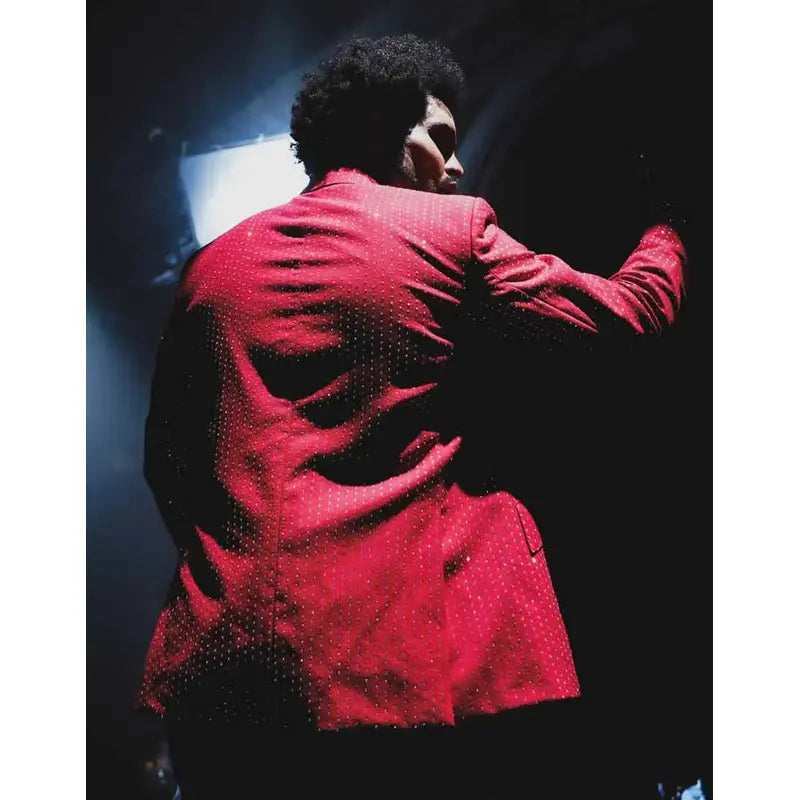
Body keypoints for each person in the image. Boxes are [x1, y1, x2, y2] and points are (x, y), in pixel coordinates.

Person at [138, 33, 686, 798]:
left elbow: (167, 461)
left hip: (225, 678)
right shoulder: (449, 231)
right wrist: (668, 228)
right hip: (392, 674)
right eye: (440, 139)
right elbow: (625, 317)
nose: (454, 166)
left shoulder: (210, 267)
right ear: (377, 127)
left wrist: (234, 556)